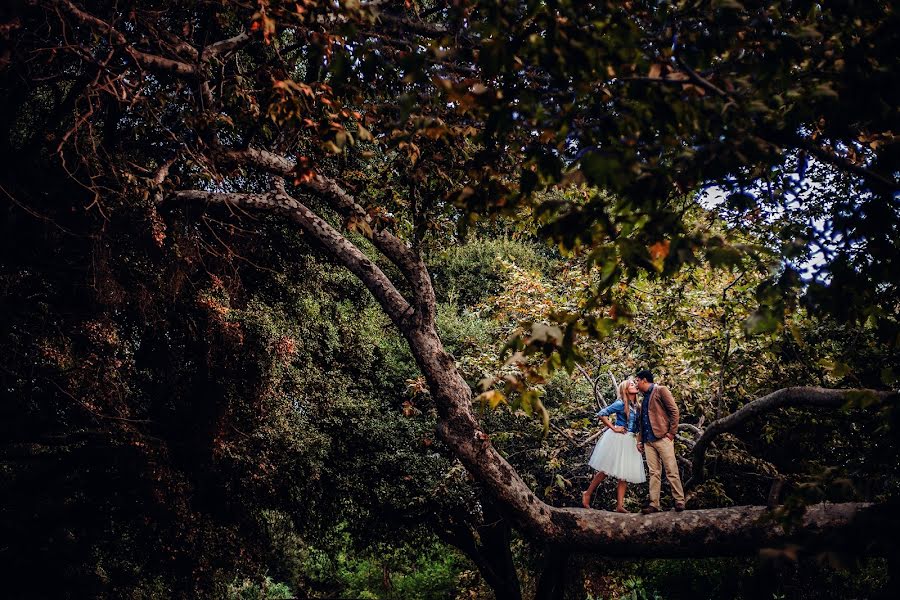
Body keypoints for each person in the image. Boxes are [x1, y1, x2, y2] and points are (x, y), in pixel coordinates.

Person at [582, 379, 646, 512]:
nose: (635, 385)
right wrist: (614, 428)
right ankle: (587, 493)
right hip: (618, 439)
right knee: (605, 469)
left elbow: (639, 427)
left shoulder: (637, 406)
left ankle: (620, 506)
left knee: (624, 474)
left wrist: (639, 442)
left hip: (630, 440)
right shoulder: (620, 403)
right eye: (632, 384)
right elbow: (602, 414)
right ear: (625, 389)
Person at [634, 369, 686, 513]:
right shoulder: (644, 398)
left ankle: (679, 500)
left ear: (644, 380)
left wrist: (671, 433)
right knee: (654, 473)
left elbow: (674, 411)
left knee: (671, 470)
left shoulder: (661, 390)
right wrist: (640, 440)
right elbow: (641, 421)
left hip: (663, 438)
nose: (636, 383)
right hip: (648, 440)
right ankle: (654, 504)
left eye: (637, 380)